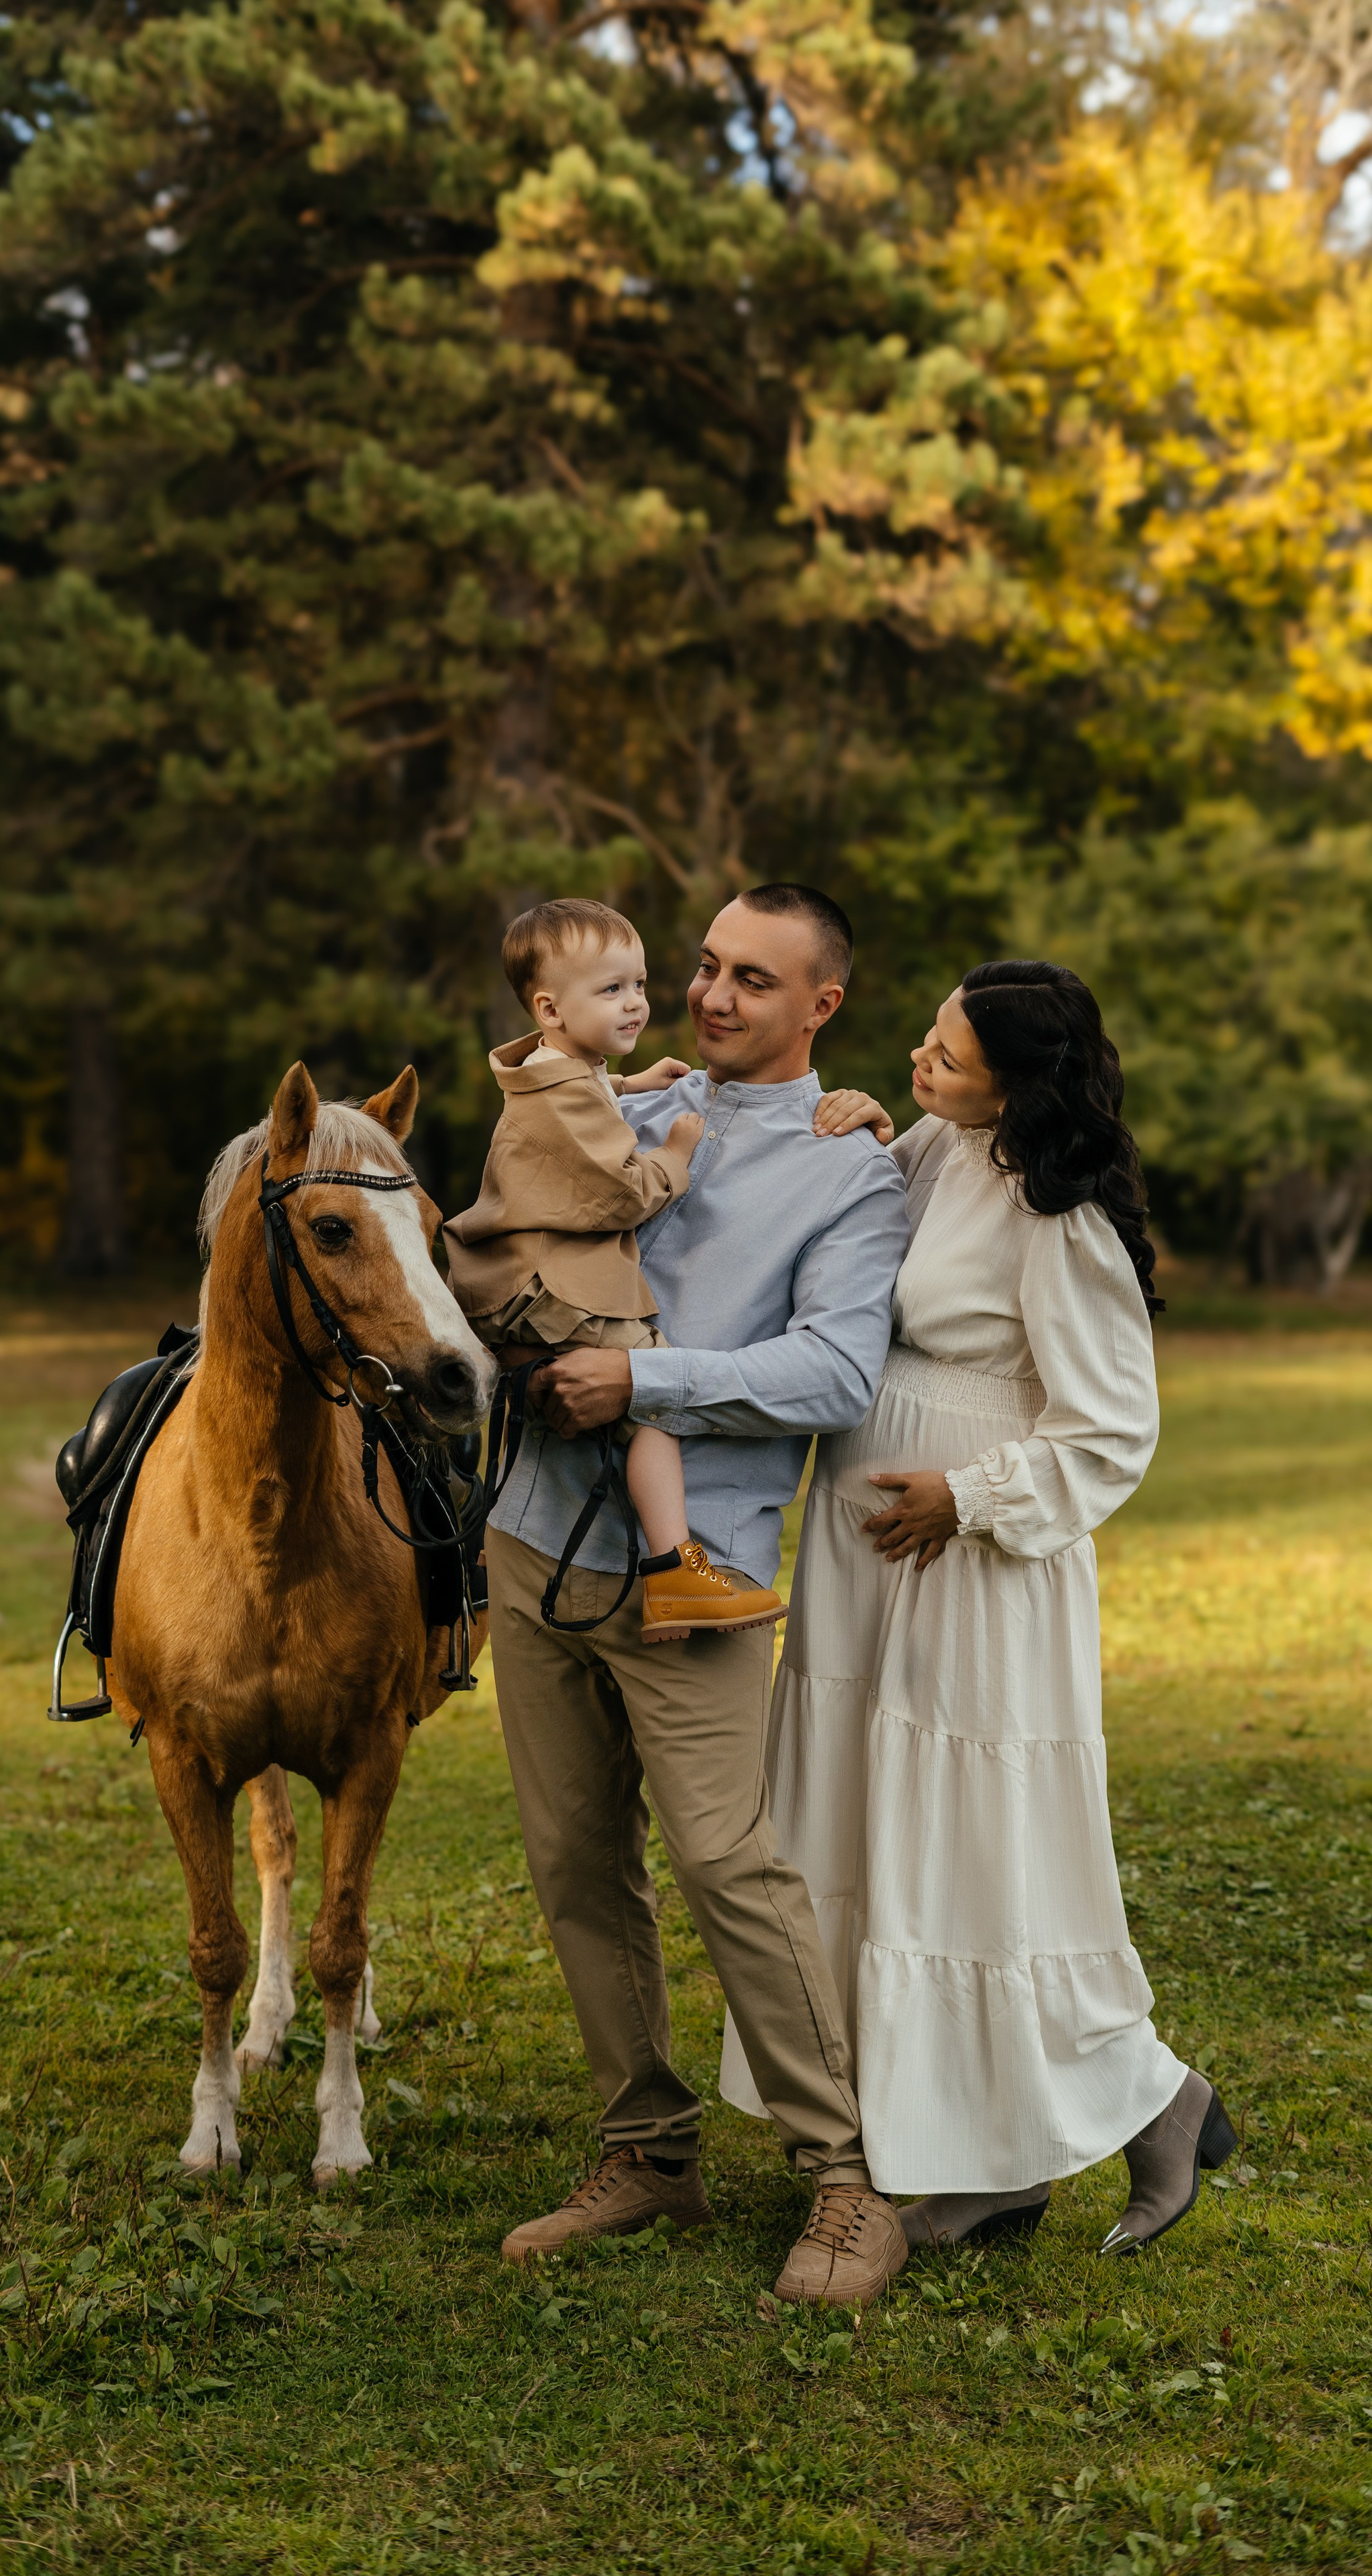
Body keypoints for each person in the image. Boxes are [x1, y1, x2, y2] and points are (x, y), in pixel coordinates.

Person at [720, 961, 1237, 2255]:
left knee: (978, 1853)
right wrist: (848, 1126)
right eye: (928, 1041)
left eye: (948, 1057)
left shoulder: (1060, 1217)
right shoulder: (938, 1152)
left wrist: (970, 1495)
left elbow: (1113, 1429)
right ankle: (984, 2160)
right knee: (888, 1846)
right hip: (868, 1566)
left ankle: (1159, 2100)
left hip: (976, 1563)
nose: (921, 1063)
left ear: (1018, 1082)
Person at [483, 883, 916, 2304]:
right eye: (708, 968)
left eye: (753, 979)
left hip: (696, 1574)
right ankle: (647, 2151)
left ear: (821, 1007)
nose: (714, 996)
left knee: (731, 1866)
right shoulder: (610, 1093)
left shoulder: (851, 1168)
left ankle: (845, 2182)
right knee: (572, 1862)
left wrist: (645, 1380)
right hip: (535, 1540)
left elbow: (838, 1375)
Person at [443, 896, 786, 1644]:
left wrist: (630, 1088)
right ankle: (674, 1567)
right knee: (653, 1394)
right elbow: (618, 1194)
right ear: (549, 1007)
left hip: (520, 1276)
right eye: (610, 991)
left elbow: (577, 1098)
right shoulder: (571, 1091)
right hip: (552, 1287)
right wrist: (675, 1153)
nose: (635, 1003)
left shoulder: (557, 1068)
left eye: (637, 984)